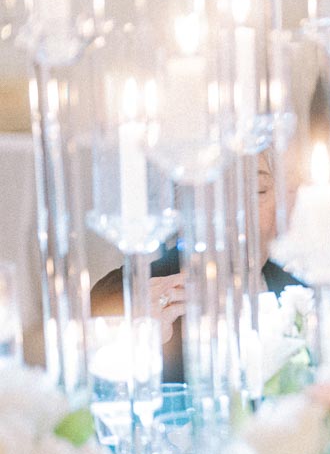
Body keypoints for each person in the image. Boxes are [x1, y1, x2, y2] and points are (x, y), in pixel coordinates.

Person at [90, 153, 302, 383]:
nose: (236, 213)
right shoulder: (125, 295)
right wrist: (133, 343)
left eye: (258, 191)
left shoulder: (303, 290)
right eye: (215, 193)